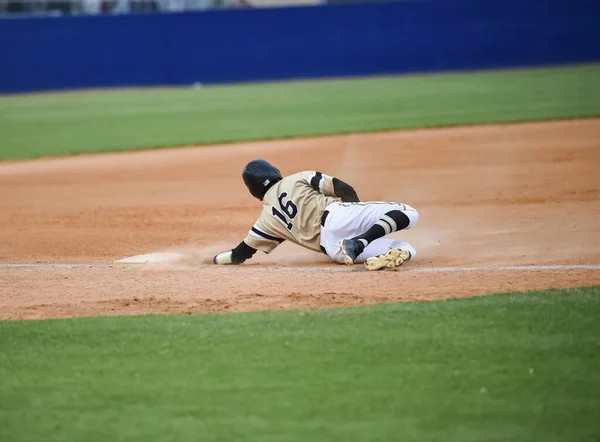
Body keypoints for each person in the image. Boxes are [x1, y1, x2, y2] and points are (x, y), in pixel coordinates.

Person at [213, 159, 419, 270]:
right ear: (275, 172)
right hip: (335, 215)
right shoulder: (297, 178)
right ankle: (361, 241)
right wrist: (355, 217)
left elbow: (239, 255)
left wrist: (212, 260)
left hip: (333, 250)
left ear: (253, 191)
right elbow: (342, 188)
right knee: (408, 212)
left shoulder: (265, 221)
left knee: (402, 247)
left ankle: (368, 249)